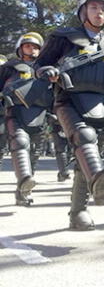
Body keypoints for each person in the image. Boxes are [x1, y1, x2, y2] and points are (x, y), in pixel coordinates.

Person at [35, 0, 104, 230]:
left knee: (85, 161)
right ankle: (100, 180)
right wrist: (46, 70)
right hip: (68, 100)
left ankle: (78, 211)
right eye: (93, 7)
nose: (98, 12)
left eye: (103, 9)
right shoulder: (64, 38)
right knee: (84, 138)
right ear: (83, 11)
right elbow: (40, 65)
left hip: (103, 106)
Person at [0, 32, 51, 206]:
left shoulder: (46, 69)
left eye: (36, 46)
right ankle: (23, 182)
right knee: (20, 144)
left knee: (34, 155)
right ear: (20, 48)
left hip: (40, 115)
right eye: (28, 45)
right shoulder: (9, 67)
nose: (32, 49)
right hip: (16, 113)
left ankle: (23, 192)